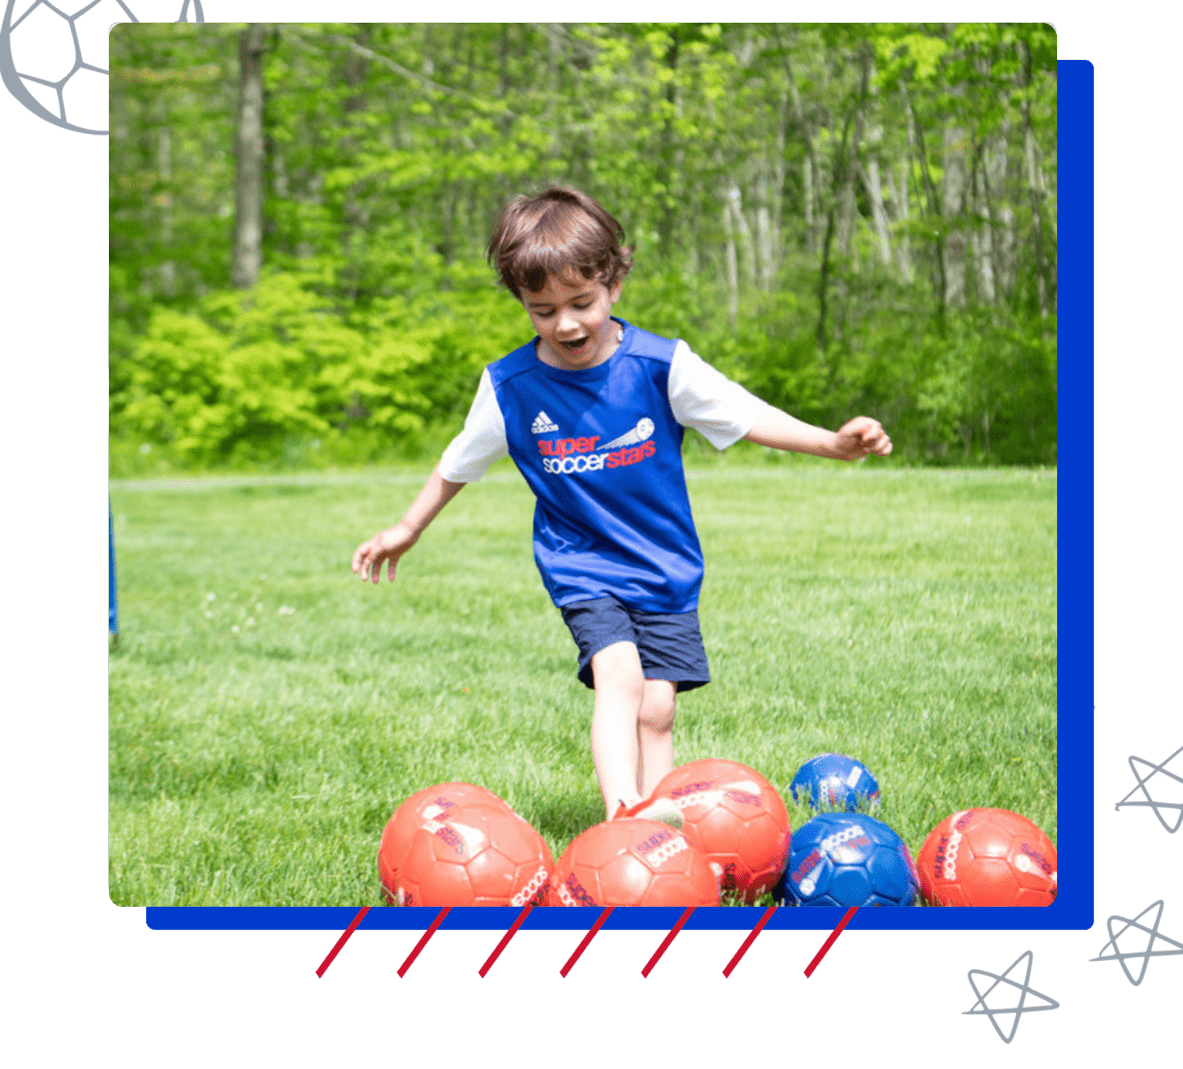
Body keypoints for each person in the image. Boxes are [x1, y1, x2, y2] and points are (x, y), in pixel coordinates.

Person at [351, 187, 891, 822]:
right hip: (580, 565)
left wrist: (833, 444)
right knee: (621, 679)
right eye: (542, 310)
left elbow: (746, 416)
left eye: (582, 303)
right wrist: (407, 528)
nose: (567, 324)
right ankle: (623, 816)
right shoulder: (510, 388)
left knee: (658, 708)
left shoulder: (662, 366)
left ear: (614, 285)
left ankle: (657, 825)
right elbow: (458, 462)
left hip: (663, 563)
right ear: (522, 305)